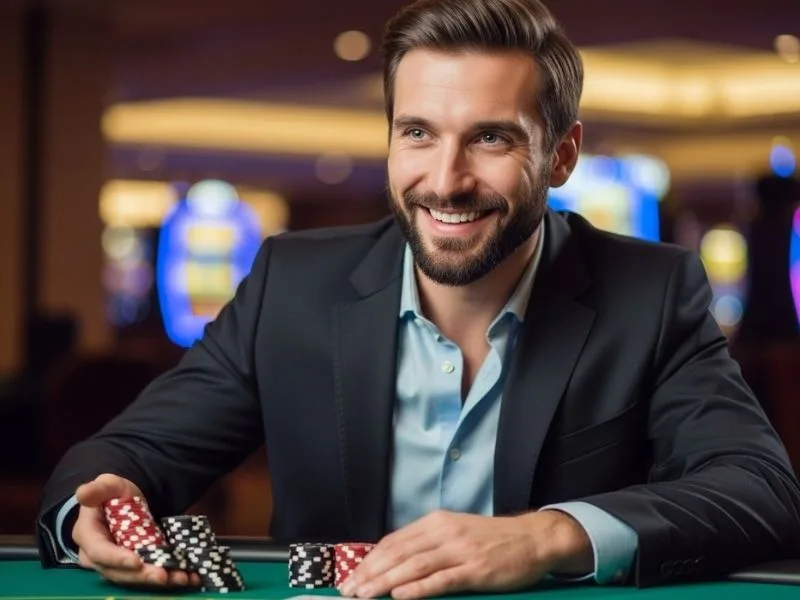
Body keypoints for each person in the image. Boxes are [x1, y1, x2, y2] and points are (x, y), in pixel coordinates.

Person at [36, 0, 800, 598]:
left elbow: (761, 491)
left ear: (560, 154)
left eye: (491, 139)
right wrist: (97, 507)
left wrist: (543, 537)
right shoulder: (291, 284)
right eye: (418, 133)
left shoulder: (652, 292)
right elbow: (124, 456)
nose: (445, 179)